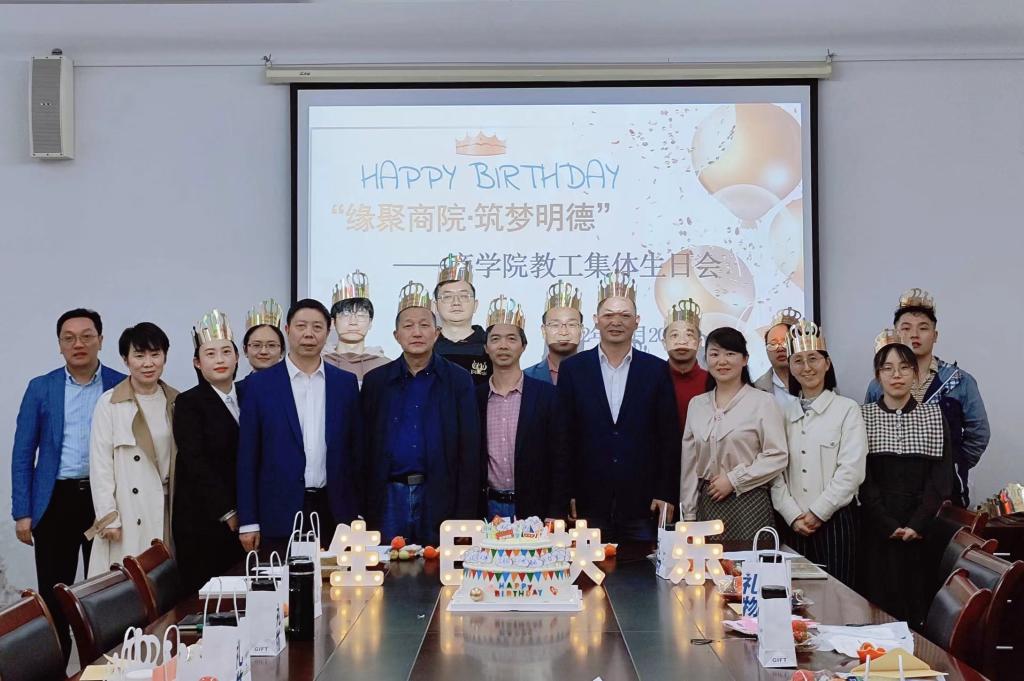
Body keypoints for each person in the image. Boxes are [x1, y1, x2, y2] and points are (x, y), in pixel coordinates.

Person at [10, 308, 125, 659]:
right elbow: (23, 453)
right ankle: (58, 665)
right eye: (69, 338)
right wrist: (22, 511)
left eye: (87, 336)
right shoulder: (41, 388)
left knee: (104, 590)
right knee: (54, 592)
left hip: (104, 500)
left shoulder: (120, 384)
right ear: (59, 344)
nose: (79, 344)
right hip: (55, 501)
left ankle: (103, 664)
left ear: (100, 340)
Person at [559, 271, 679, 541]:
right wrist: (566, 492)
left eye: (625, 315)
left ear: (637, 321)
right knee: (588, 567)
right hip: (588, 500)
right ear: (595, 320)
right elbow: (564, 436)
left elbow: (668, 437)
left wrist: (665, 493)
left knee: (644, 568)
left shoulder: (656, 370)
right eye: (608, 315)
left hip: (643, 503)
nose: (616, 322)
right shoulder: (573, 369)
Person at [236, 299, 362, 551]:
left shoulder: (345, 383)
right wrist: (248, 521)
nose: (308, 334)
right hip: (279, 511)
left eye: (317, 327)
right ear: (287, 329)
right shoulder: (259, 386)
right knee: (281, 575)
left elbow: (356, 452)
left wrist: (358, 511)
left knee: (336, 576)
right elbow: (248, 456)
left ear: (328, 332)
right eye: (301, 326)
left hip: (335, 511)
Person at [361, 282, 480, 546]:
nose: (417, 332)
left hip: (439, 493)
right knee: (387, 566)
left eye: (424, 325)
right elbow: (363, 446)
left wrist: (465, 514)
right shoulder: (376, 382)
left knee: (437, 566)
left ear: (437, 333)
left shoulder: (458, 380)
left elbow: (469, 450)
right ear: (396, 335)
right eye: (408, 326)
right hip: (388, 495)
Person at [859, 332, 952, 626]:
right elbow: (862, 476)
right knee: (875, 607)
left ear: (915, 373)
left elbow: (941, 477)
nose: (896, 375)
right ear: (878, 376)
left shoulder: (934, 416)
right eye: (887, 368)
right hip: (875, 528)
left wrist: (917, 523)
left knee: (917, 608)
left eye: (904, 368)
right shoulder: (863, 416)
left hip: (922, 530)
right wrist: (885, 522)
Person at [864, 288, 988, 508]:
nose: (914, 335)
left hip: (945, 492)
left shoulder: (960, 381)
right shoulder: (878, 385)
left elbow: (979, 434)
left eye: (923, 328)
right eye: (906, 328)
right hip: (891, 494)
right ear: (895, 332)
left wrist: (955, 464)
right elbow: (867, 436)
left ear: (935, 335)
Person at [769, 321, 866, 586]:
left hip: (835, 521)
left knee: (837, 593)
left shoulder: (847, 409)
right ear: (790, 366)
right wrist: (792, 514)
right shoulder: (780, 413)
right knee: (792, 595)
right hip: (791, 523)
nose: (807, 367)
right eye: (798, 360)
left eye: (813, 358)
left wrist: (817, 513)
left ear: (827, 363)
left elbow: (851, 471)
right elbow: (774, 471)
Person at [680, 326, 788, 541]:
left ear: (745, 359)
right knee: (707, 561)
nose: (722, 361)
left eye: (730, 354)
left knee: (749, 561)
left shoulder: (763, 402)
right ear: (705, 360)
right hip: (707, 502)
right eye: (714, 354)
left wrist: (734, 480)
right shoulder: (697, 405)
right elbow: (689, 465)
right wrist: (689, 514)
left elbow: (777, 455)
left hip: (749, 502)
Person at [88, 322, 178, 577]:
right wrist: (108, 517)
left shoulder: (176, 401)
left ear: (165, 357)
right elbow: (100, 465)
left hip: (165, 509)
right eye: (139, 356)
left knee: (164, 583)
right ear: (125, 360)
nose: (148, 363)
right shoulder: (110, 403)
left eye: (155, 354)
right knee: (128, 584)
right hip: (127, 513)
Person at [172, 310, 246, 593]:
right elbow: (196, 462)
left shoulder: (248, 395)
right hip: (205, 519)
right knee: (210, 598)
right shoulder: (188, 403)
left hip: (246, 517)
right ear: (197, 362)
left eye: (226, 352)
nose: (219, 360)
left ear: (237, 357)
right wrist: (227, 511)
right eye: (210, 354)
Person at [477, 296, 569, 520]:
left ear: (524, 346)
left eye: (511, 339)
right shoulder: (474, 397)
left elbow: (560, 458)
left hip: (536, 509)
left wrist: (556, 512)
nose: (503, 346)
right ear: (486, 348)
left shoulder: (547, 396)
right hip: (487, 509)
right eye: (495, 339)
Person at [433, 253, 492, 384]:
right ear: (435, 306)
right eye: (447, 297)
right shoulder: (426, 346)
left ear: (475, 305)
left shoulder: (491, 346)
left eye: (464, 296)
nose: (456, 302)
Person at [323, 270, 390, 383]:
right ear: (333, 322)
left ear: (370, 322)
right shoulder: (319, 362)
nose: (353, 322)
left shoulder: (385, 366)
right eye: (345, 314)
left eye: (361, 315)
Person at [524, 281, 583, 385]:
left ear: (581, 330)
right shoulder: (525, 378)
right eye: (555, 325)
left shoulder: (597, 374)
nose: (563, 332)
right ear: (544, 330)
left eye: (571, 324)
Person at [663, 298, 709, 431]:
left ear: (699, 343)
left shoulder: (712, 382)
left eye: (689, 335)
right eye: (674, 335)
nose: (682, 341)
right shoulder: (651, 380)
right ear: (664, 343)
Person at [755, 307, 801, 410]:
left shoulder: (816, 380)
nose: (780, 348)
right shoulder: (757, 388)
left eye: (785, 342)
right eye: (773, 344)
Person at [242, 299, 285, 373]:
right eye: (256, 345)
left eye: (271, 345)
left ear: (282, 350)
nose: (263, 352)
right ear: (245, 350)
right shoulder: (240, 382)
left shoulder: (293, 381)